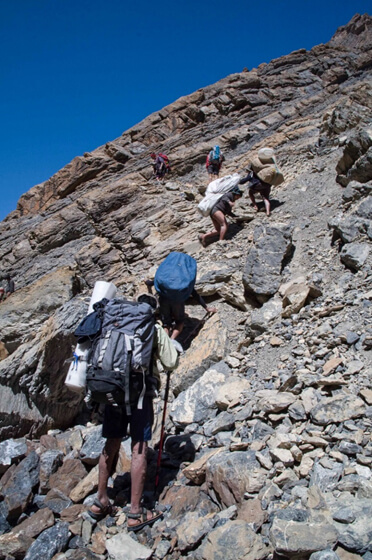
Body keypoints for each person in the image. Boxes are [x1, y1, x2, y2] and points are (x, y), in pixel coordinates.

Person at [89, 294, 180, 532]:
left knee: (111, 443)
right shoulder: (152, 326)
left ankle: (101, 500)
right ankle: (135, 512)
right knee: (139, 448)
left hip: (113, 389)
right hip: (140, 395)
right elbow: (171, 363)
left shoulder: (115, 320)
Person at [145, 280, 217, 341]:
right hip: (177, 302)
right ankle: (172, 340)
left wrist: (148, 283)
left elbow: (153, 282)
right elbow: (194, 294)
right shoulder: (183, 278)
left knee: (166, 324)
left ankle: (165, 343)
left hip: (164, 300)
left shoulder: (165, 275)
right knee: (179, 322)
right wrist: (206, 307)